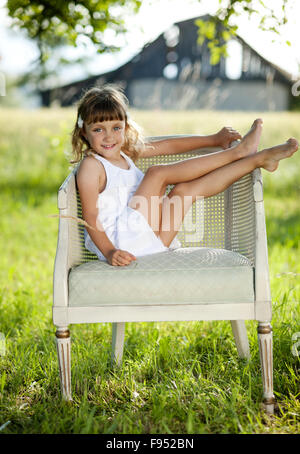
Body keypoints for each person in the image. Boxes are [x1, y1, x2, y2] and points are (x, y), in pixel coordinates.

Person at [72, 84, 298, 267]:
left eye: (116, 128)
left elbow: (169, 146)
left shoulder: (124, 153)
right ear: (84, 132)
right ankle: (239, 152)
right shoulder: (92, 167)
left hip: (152, 241)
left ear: (125, 126)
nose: (109, 137)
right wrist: (111, 252)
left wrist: (213, 139)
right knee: (156, 174)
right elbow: (90, 219)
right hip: (123, 243)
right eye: (98, 129)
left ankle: (258, 160)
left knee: (185, 191)